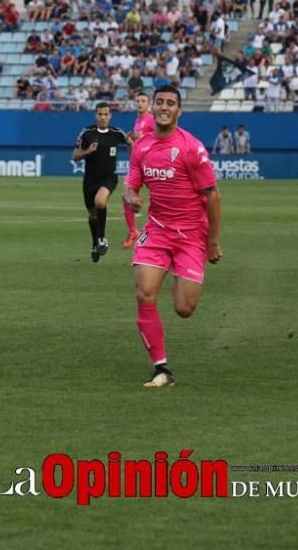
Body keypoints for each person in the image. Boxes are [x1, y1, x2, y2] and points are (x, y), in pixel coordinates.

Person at [122, 86, 222, 387]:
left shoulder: (192, 148)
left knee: (184, 308)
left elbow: (213, 196)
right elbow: (130, 186)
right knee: (144, 294)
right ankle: (161, 367)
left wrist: (212, 242)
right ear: (152, 108)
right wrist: (130, 198)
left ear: (179, 111)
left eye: (171, 104)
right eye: (160, 102)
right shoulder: (142, 147)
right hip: (157, 230)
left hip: (192, 234)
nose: (164, 107)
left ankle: (179, 273)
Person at [73, 102, 133, 262]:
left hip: (108, 177)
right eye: (100, 114)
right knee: (92, 214)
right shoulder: (87, 133)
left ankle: (102, 238)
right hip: (90, 179)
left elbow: (130, 142)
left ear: (110, 116)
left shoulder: (116, 133)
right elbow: (75, 156)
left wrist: (135, 162)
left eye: (106, 114)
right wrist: (88, 151)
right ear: (96, 115)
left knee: (100, 202)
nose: (103, 117)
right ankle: (95, 243)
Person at [122, 94, 155, 248]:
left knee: (159, 199)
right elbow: (138, 141)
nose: (140, 104)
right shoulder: (137, 121)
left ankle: (155, 232)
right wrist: (131, 138)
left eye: (143, 101)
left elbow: (160, 137)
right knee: (125, 195)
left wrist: (145, 136)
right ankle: (133, 231)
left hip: (151, 164)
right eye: (138, 101)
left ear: (149, 104)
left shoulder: (151, 119)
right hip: (137, 164)